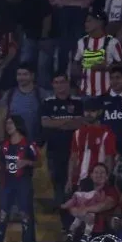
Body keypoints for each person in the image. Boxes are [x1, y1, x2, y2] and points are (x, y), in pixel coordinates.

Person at [0, 115, 40, 242]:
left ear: (18, 124)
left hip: (23, 183)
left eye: (11, 123)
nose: (8, 126)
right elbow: (0, 163)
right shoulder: (4, 145)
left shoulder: (29, 144)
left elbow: (39, 162)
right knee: (2, 217)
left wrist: (27, 162)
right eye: (6, 123)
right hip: (8, 184)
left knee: (25, 216)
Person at [42, 72, 86, 232]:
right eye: (56, 82)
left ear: (68, 84)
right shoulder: (48, 102)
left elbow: (80, 123)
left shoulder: (77, 102)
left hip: (75, 150)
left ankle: (75, 222)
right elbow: (45, 123)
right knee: (59, 186)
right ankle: (65, 223)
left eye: (62, 82)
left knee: (74, 185)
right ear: (53, 85)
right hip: (54, 151)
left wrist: (58, 123)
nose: (59, 85)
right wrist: (68, 121)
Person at [73, 7, 122, 97]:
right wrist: (78, 72)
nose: (85, 24)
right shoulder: (81, 42)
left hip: (107, 93)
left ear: (100, 22)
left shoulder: (112, 42)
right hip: (85, 93)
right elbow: (75, 63)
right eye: (85, 21)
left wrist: (106, 68)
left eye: (89, 21)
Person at [69, 97, 117, 189]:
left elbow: (109, 159)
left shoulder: (107, 133)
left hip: (99, 182)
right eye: (87, 111)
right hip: (80, 181)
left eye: (93, 111)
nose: (89, 114)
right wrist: (69, 179)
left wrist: (105, 181)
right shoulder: (77, 133)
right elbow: (73, 159)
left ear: (99, 112)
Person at [0, 63, 48, 146]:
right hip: (13, 144)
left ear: (32, 76)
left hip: (37, 144)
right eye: (19, 74)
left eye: (25, 74)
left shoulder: (42, 94)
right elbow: (1, 118)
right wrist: (2, 141)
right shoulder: (9, 94)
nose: (21, 77)